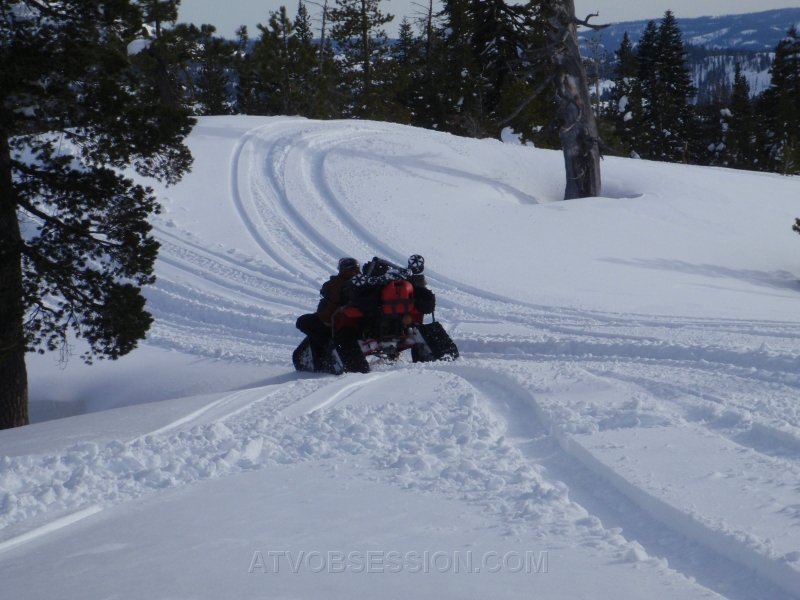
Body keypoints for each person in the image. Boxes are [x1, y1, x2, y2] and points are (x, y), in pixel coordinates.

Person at [295, 257, 361, 354]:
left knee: (302, 322)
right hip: (358, 321)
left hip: (333, 320)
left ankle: (330, 347)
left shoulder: (336, 282)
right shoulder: (364, 281)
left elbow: (329, 304)